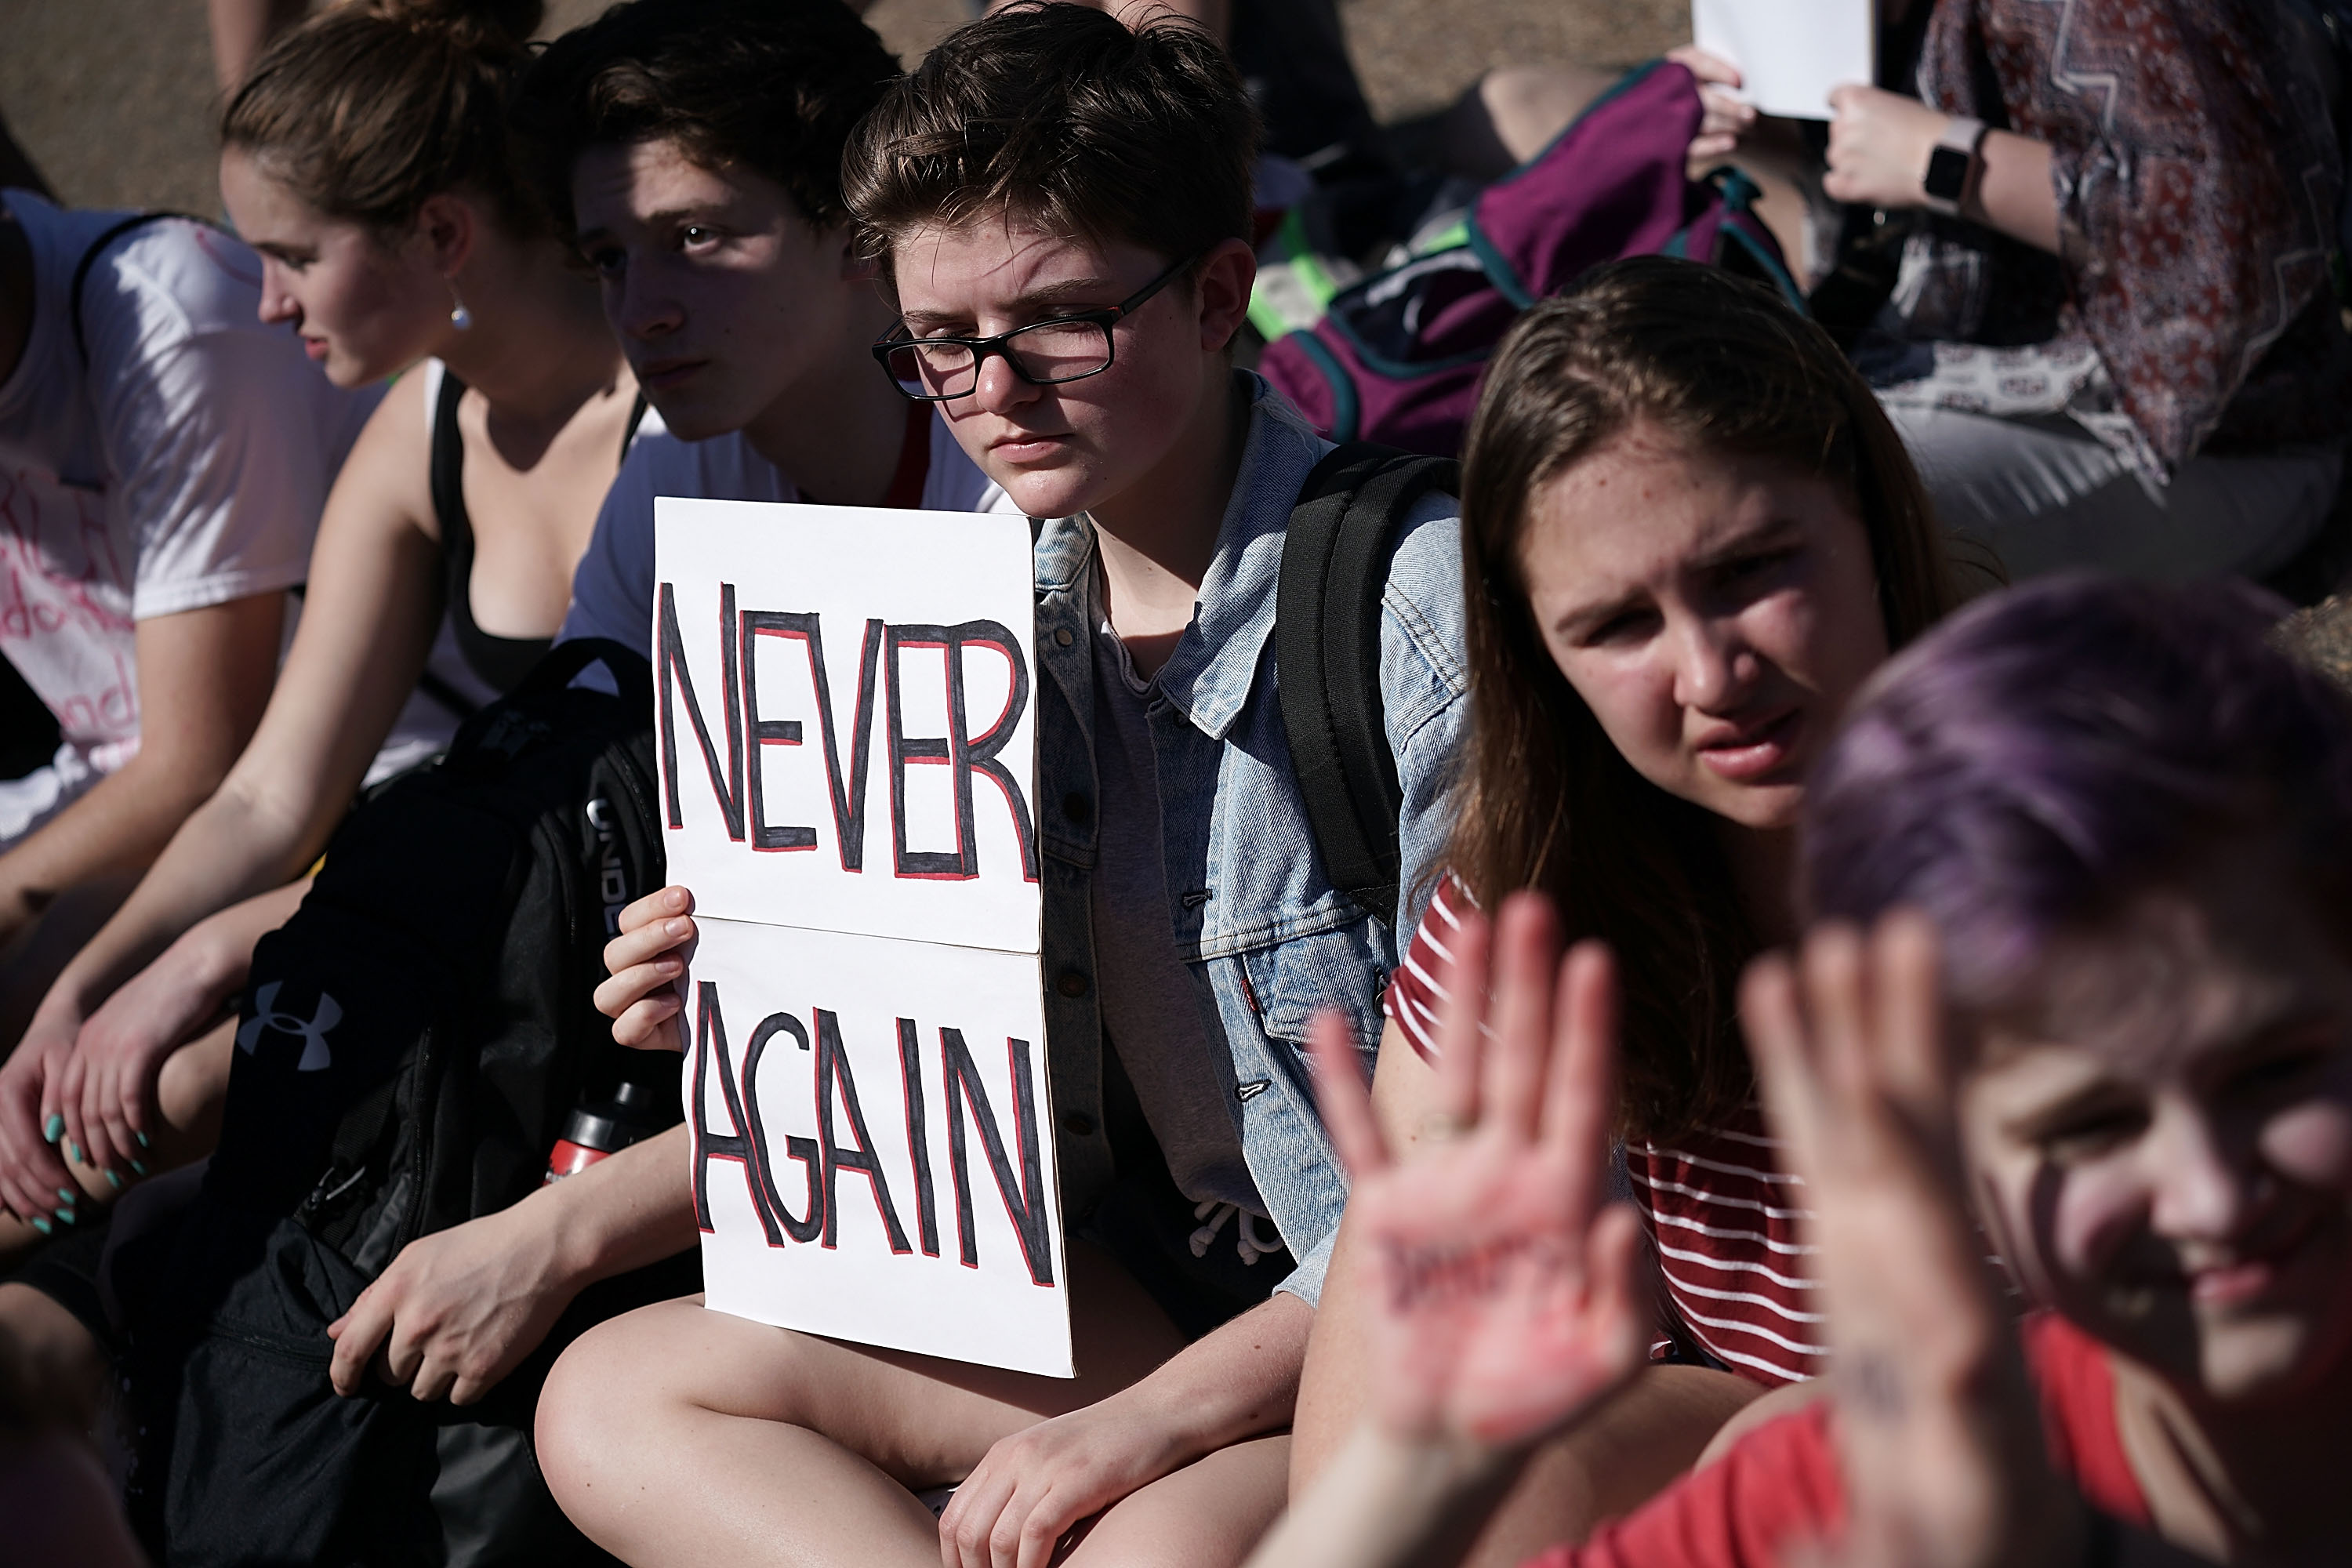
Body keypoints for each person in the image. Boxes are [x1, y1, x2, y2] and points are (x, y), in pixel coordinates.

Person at [538, 6, 1467, 1565]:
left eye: (1061, 322)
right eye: (941, 345)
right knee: (616, 1397)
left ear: (1222, 293)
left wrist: (1136, 1431)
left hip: (1397, 1325)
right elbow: (953, 1094)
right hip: (1170, 1288)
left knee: (1138, 1546)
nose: (995, 390)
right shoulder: (967, 605)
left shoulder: (1406, 622)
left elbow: (1471, 1188)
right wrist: (776, 991)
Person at [1254, 572, 2352, 1568]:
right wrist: (1429, 1468)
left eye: (2276, 1071)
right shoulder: (1866, 1489)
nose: (2211, 1192)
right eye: (2092, 1126)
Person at [1290, 255, 1976, 1566]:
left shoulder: (2085, 830)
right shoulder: (1533, 906)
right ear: (1537, 656)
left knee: (1775, 1459)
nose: (1714, 676)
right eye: (1617, 626)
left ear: (1871, 519)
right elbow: (1388, 1380)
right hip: (1771, 1438)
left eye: (1753, 569)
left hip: (2106, 1442)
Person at [0, 0, 642, 1248]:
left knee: (169, 1092)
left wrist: (197, 963)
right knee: (100, 1079)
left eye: (292, 255)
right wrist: (84, 989)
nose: (268, 303)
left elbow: (573, 823)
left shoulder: (670, 422)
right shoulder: (425, 427)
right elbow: (263, 799)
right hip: (472, 893)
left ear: (441, 232)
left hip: (621, 957)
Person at [1681, 0, 2352, 583]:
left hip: (2220, 445)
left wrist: (1948, 162)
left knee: (1785, 515)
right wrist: (1763, 130)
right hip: (1972, 379)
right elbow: (1870, 193)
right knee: (1695, 470)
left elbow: (2244, 231)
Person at [0, 184, 376, 1046]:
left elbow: (204, 767)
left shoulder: (171, 316)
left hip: (296, 782)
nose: (278, 296)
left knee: (37, 1004)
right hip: (120, 786)